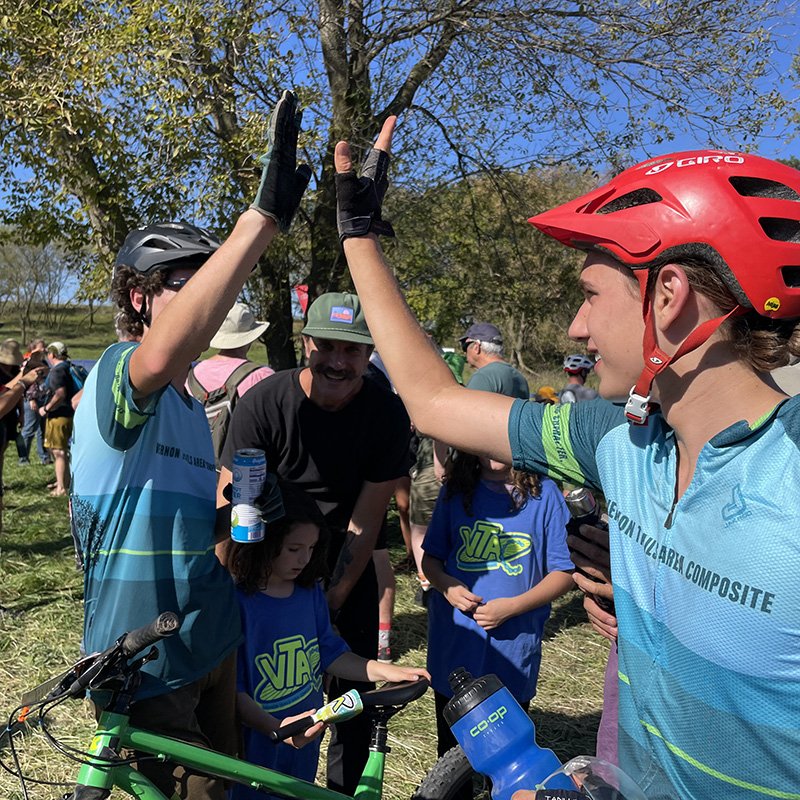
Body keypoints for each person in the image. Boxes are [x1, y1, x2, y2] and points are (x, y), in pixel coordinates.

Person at [333, 123, 800, 800]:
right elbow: (435, 402)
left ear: (668, 296)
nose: (577, 330)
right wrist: (358, 235)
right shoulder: (618, 440)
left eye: (589, 295)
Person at [70, 90, 313, 800]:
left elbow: (183, 527)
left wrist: (242, 511)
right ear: (140, 297)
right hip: (141, 659)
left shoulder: (188, 402)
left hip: (211, 639)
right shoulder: (125, 371)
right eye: (186, 283)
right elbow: (154, 358)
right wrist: (261, 222)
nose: (208, 297)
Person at [218, 291, 411, 796]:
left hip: (345, 559)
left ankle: (339, 790)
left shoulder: (386, 413)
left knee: (352, 696)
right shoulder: (264, 402)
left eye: (351, 351)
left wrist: (327, 599)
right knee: (241, 687)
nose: (337, 361)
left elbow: (367, 521)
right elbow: (235, 499)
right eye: (326, 346)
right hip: (267, 560)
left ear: (369, 354)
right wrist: (233, 585)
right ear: (306, 344)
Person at [225, 484, 429, 800]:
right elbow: (232, 690)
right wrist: (275, 728)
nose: (304, 559)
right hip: (257, 749)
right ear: (265, 541)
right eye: (294, 549)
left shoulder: (309, 594)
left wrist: (389, 672)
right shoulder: (237, 604)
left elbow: (329, 653)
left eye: (311, 549)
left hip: (304, 740)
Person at [422, 451, 573, 758]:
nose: (491, 449)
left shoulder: (545, 495)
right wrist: (447, 586)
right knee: (451, 751)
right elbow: (431, 559)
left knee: (509, 754)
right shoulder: (455, 492)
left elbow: (565, 572)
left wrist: (513, 607)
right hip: (456, 644)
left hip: (513, 647)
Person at [459, 322, 529, 399]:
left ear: (476, 347)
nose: (464, 352)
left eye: (465, 347)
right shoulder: (520, 377)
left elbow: (465, 409)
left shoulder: (483, 377)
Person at [40, 341, 75, 496]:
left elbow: (60, 394)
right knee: (61, 450)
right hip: (69, 414)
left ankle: (61, 487)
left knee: (58, 451)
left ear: (52, 354)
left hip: (58, 416)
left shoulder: (56, 371)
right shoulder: (68, 367)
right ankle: (64, 481)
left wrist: (46, 408)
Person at [17, 339, 50, 465]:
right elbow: (26, 381)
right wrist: (31, 398)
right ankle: (23, 457)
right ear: (33, 349)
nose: (44, 349)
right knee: (29, 429)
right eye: (42, 347)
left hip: (43, 398)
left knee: (42, 429)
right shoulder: (27, 362)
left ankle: (44, 456)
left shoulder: (43, 362)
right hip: (32, 399)